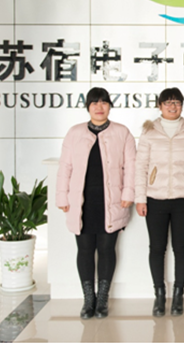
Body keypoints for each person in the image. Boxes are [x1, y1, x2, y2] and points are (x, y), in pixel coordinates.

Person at [56, 87, 136, 319]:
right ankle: (88, 299)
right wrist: (62, 196)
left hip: (111, 201)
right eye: (94, 103)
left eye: (104, 102)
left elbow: (131, 166)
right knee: (84, 249)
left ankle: (102, 299)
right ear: (88, 107)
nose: (99, 107)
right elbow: (65, 167)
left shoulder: (122, 132)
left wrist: (128, 193)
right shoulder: (75, 133)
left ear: (110, 106)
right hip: (82, 202)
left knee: (107, 249)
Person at [135, 87, 184, 317]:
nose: (173, 106)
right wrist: (140, 198)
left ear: (182, 105)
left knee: (181, 248)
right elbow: (140, 167)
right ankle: (159, 295)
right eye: (168, 102)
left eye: (177, 102)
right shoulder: (149, 131)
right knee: (157, 248)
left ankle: (178, 294)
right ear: (160, 106)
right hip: (155, 199)